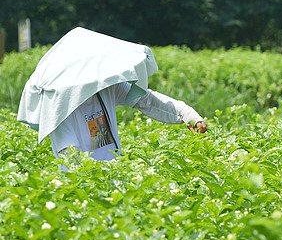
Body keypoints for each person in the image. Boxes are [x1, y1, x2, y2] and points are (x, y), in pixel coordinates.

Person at [18, 27, 208, 167]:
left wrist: (188, 114)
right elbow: (70, 156)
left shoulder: (103, 88)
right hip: (82, 188)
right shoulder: (58, 104)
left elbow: (147, 100)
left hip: (114, 176)